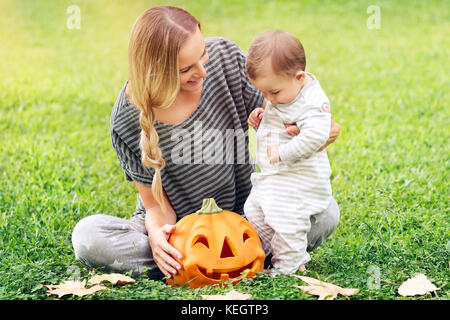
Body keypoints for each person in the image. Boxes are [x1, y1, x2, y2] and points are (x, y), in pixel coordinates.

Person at [71, 6, 340, 279]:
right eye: (186, 69)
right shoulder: (127, 117)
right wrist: (157, 238)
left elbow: (284, 107)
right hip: (179, 232)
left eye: (202, 54)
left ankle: (234, 254)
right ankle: (199, 259)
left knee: (326, 212)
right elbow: (155, 206)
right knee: (88, 236)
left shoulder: (224, 59)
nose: (202, 71)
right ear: (155, 72)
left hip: (243, 221)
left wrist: (319, 129)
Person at [244, 30, 339, 275]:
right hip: (275, 176)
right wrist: (261, 119)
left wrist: (284, 152)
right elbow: (278, 118)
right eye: (263, 93)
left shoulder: (312, 102)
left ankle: (289, 263)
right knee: (253, 210)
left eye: (273, 93)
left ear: (299, 77)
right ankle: (273, 252)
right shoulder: (284, 93)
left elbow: (316, 136)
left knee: (286, 219)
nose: (269, 99)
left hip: (297, 179)